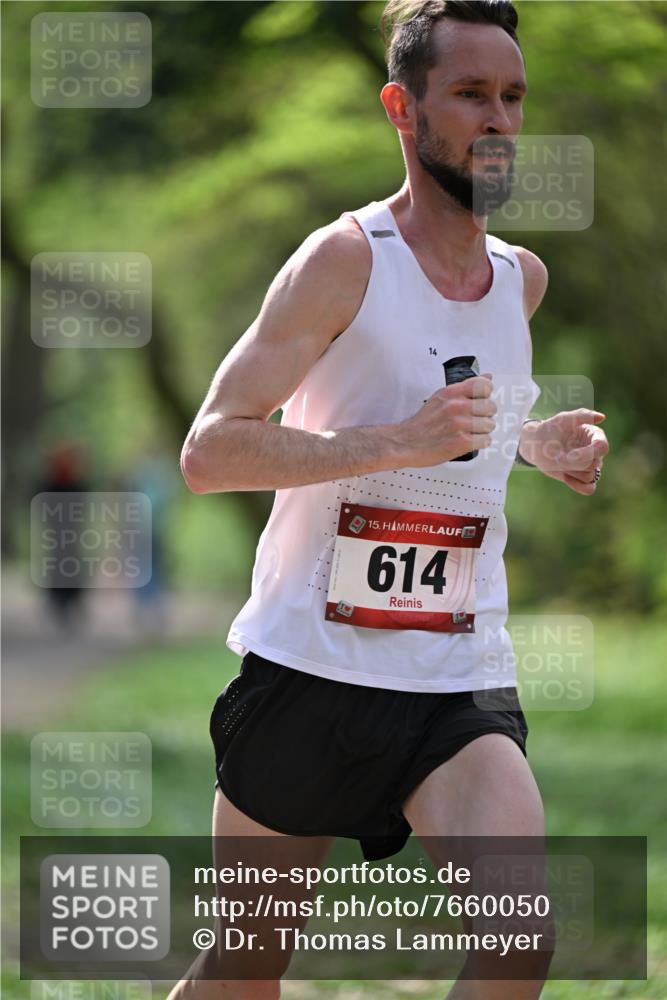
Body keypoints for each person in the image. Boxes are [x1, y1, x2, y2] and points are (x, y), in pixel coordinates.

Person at [175, 2, 609, 997]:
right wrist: (398, 440)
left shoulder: (519, 282)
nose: (498, 120)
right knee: (245, 967)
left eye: (511, 98)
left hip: (453, 675)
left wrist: (536, 443)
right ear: (401, 109)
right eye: (468, 95)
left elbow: (465, 419)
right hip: (310, 669)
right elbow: (209, 451)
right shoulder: (343, 261)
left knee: (516, 937)